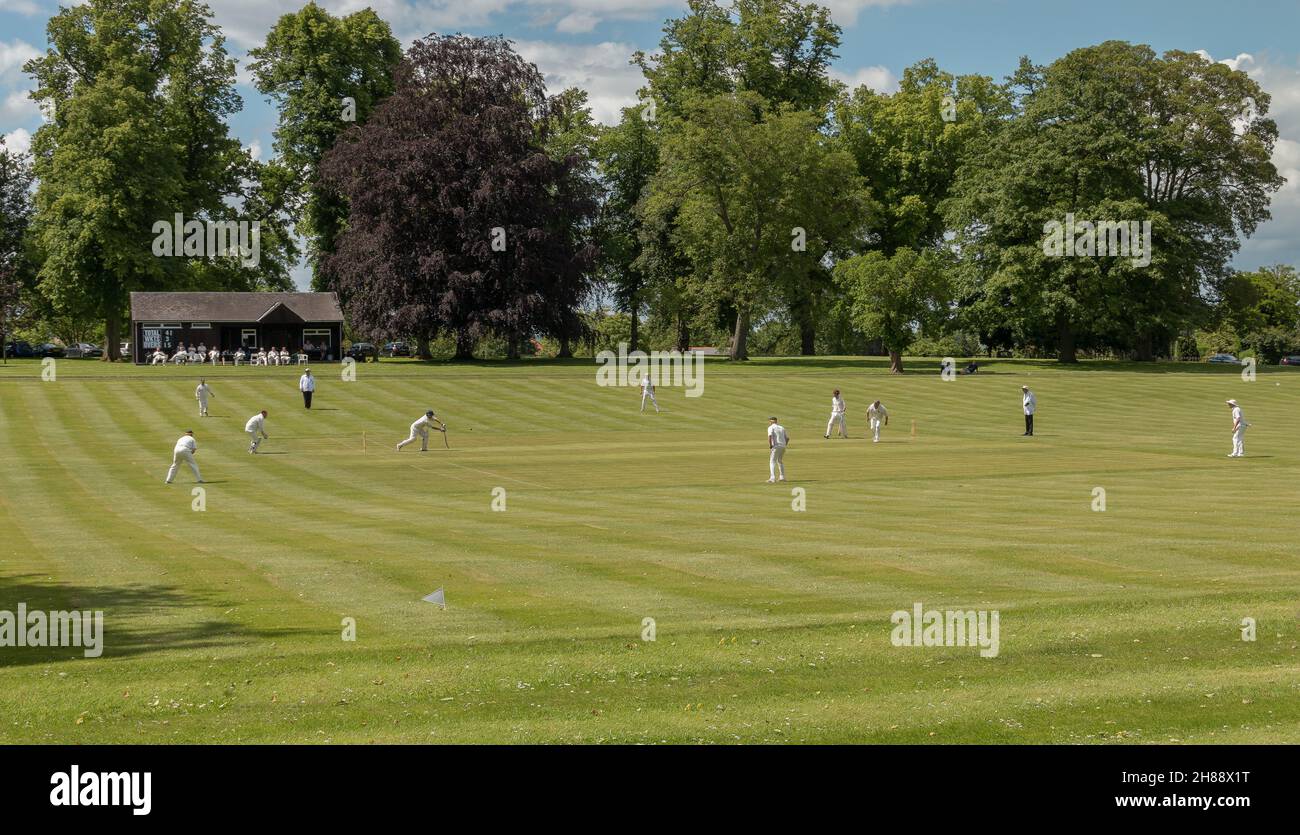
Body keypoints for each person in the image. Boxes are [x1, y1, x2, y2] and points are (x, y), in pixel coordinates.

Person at [767, 416, 789, 483]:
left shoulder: (771, 427)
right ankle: (782, 477)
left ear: (771, 422)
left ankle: (772, 478)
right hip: (783, 446)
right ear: (776, 421)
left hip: (776, 446)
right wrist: (784, 445)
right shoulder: (782, 427)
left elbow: (770, 436)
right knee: (780, 461)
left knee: (772, 461)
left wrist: (771, 446)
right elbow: (787, 438)